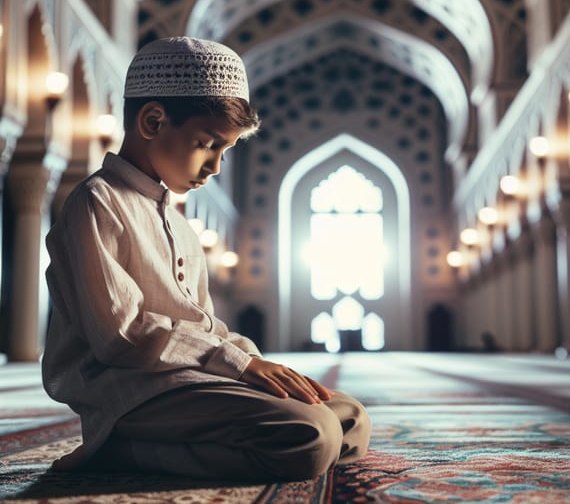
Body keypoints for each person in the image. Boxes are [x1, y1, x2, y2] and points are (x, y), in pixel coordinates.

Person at [41, 36, 371, 481]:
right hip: (132, 390)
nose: (215, 166)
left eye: (224, 151)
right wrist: (239, 366)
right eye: (207, 143)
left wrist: (252, 363)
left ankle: (178, 443)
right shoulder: (97, 203)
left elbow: (202, 328)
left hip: (187, 380)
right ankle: (123, 449)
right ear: (153, 121)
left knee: (348, 416)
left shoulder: (177, 220)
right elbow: (121, 336)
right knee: (311, 436)